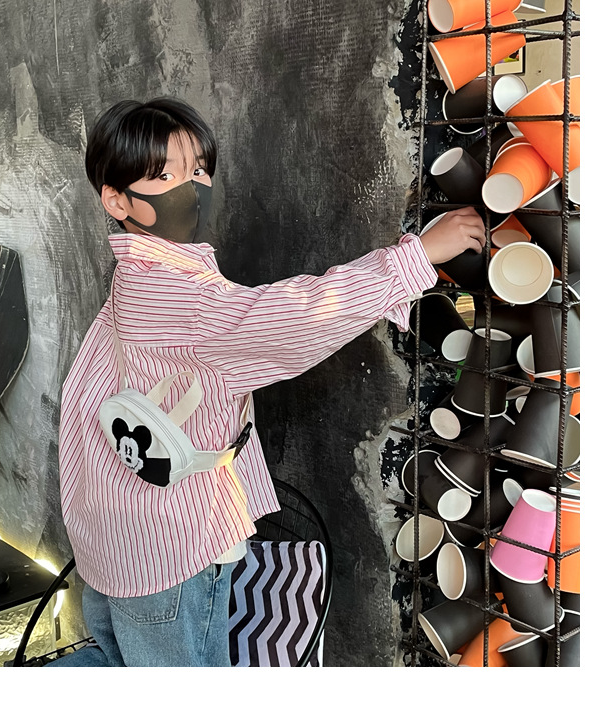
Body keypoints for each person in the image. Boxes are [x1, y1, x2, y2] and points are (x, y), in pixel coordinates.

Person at [50, 96, 485, 667]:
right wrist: (415, 257)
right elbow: (294, 318)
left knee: (114, 665)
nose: (193, 188)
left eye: (199, 169)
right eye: (166, 176)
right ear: (116, 200)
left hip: (116, 535)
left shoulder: (138, 274)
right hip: (170, 547)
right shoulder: (177, 294)